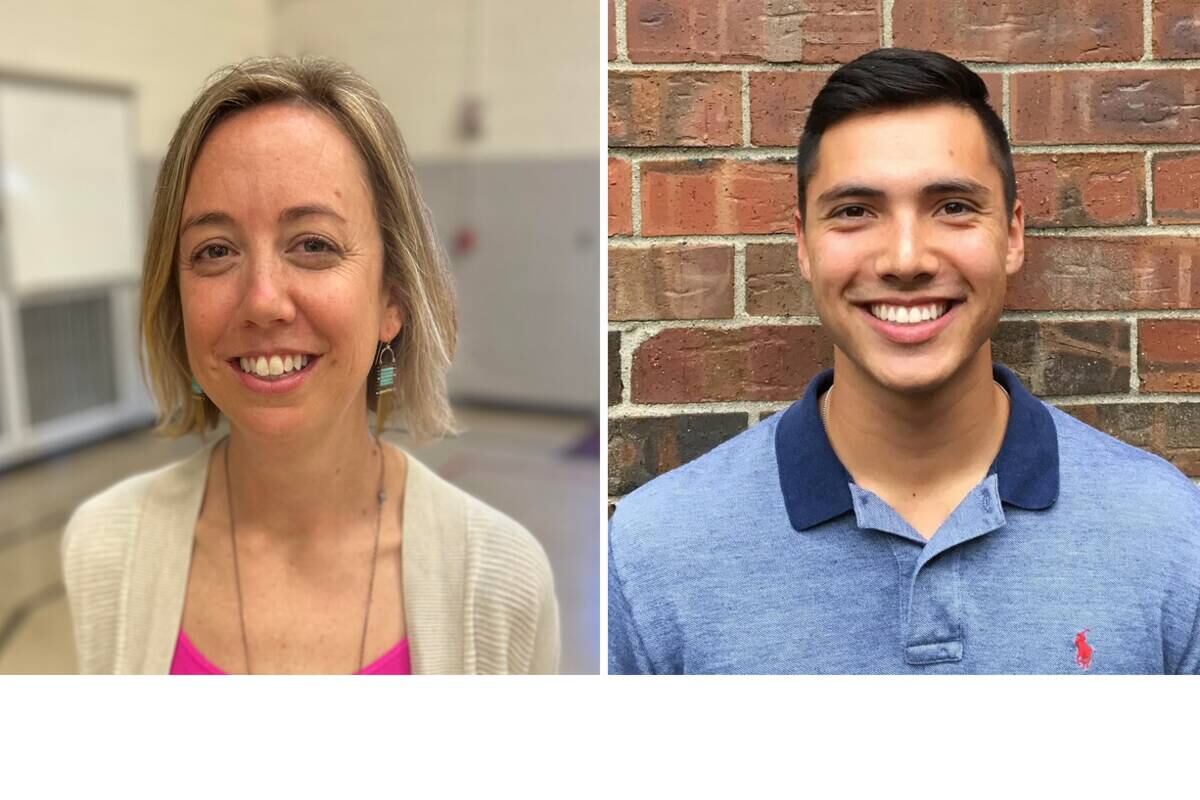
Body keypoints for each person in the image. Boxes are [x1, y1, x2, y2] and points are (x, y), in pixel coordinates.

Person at [608, 48, 1200, 674]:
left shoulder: (1165, 533)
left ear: (1014, 236)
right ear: (803, 246)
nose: (906, 258)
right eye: (855, 211)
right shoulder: (655, 555)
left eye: (953, 207)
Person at [62, 56, 559, 674]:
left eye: (314, 245)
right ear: (177, 301)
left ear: (392, 300)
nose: (263, 301)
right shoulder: (105, 549)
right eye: (214, 251)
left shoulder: (503, 583)